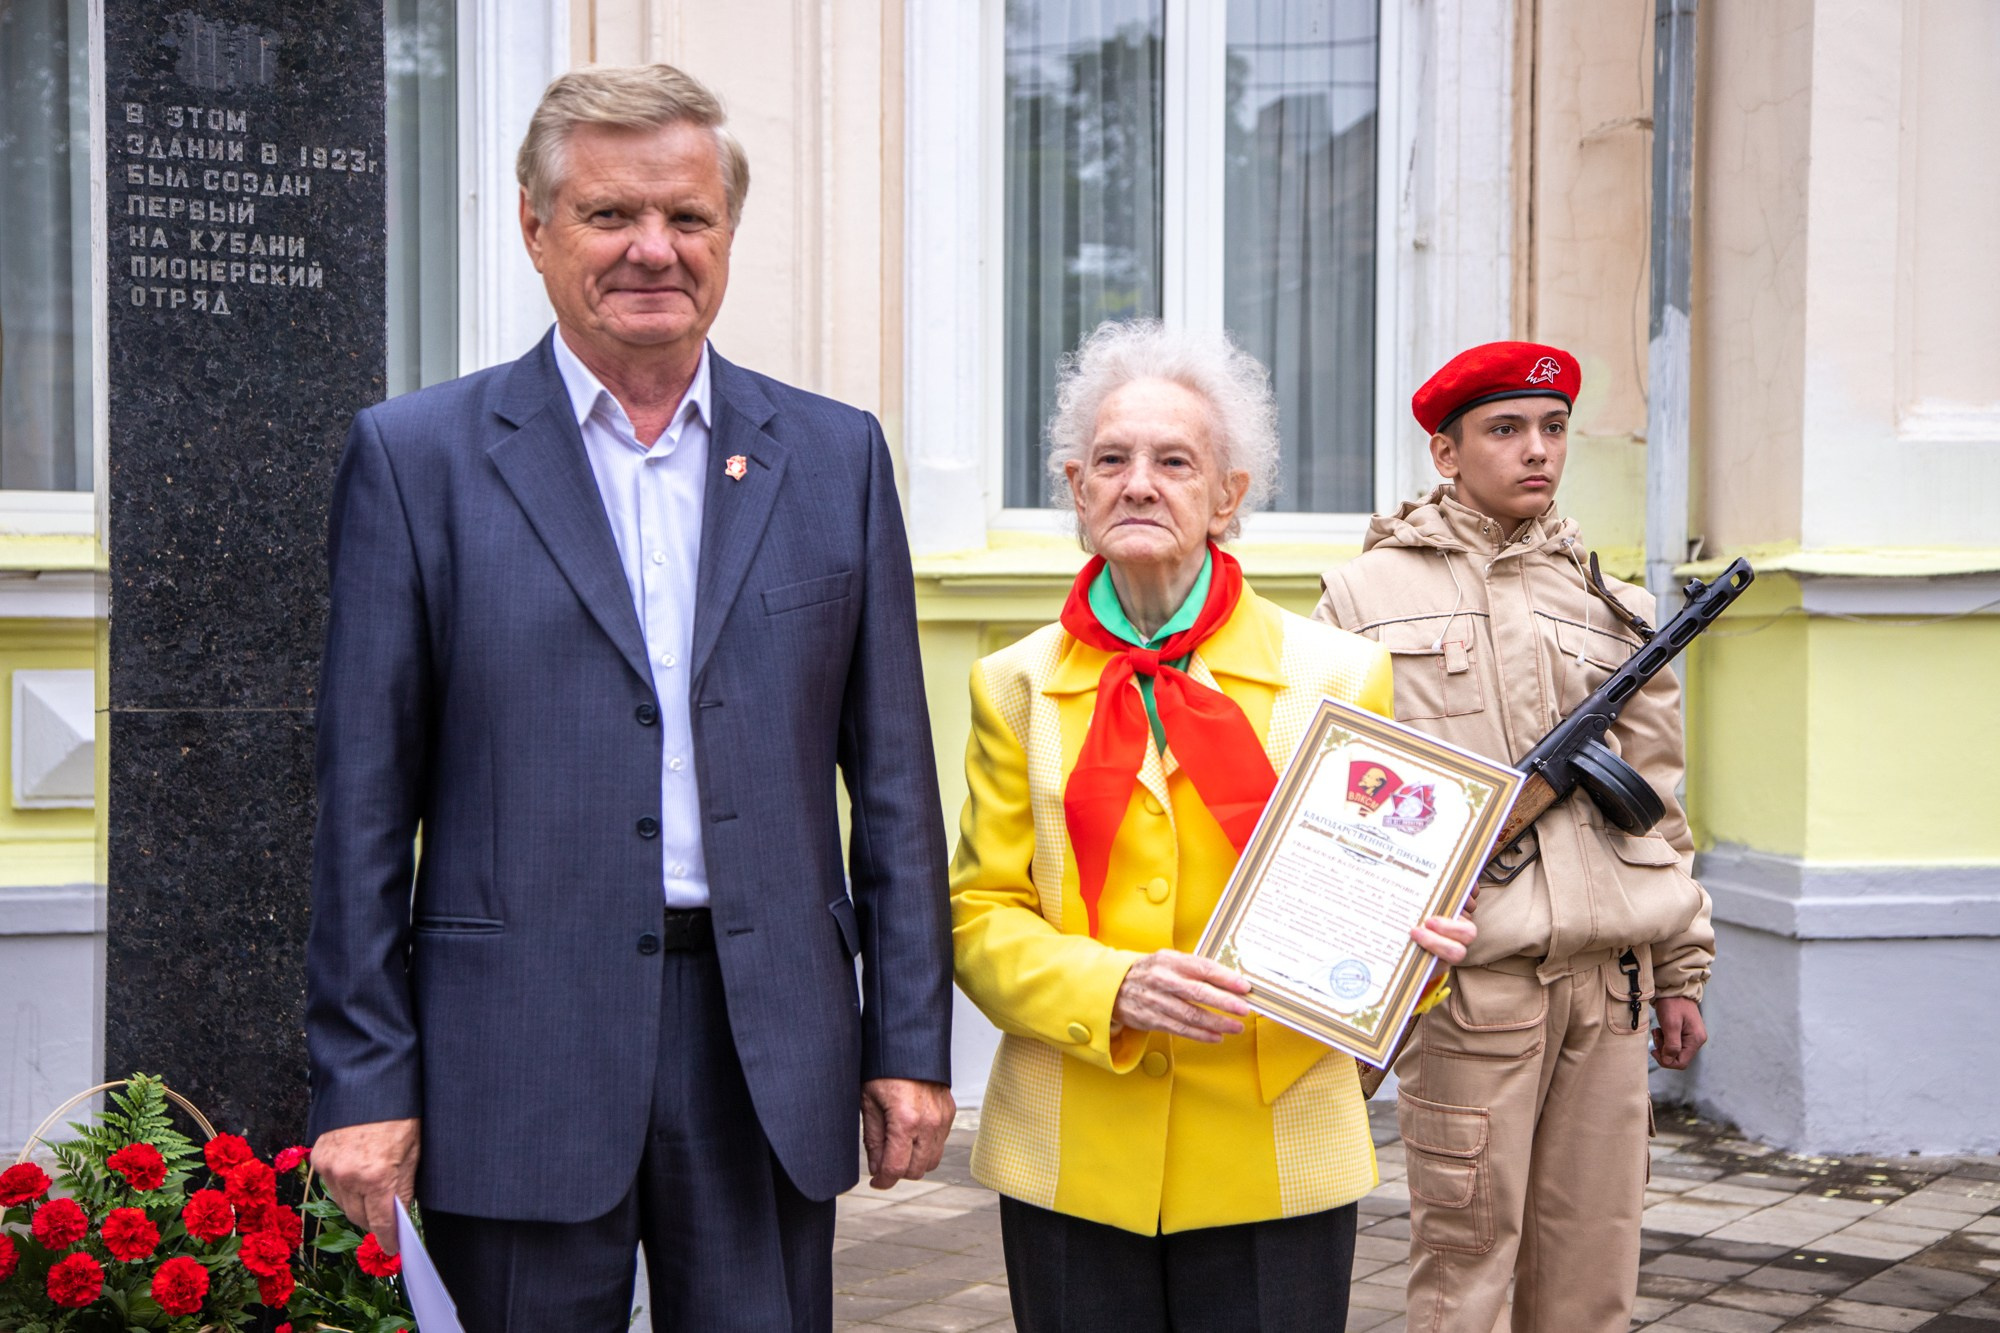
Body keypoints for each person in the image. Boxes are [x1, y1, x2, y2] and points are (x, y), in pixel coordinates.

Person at [303, 64, 955, 1331]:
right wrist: (364, 1079)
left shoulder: (832, 456)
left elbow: (892, 784)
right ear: (535, 230)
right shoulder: (418, 459)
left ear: (725, 235)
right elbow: (363, 809)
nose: (653, 249)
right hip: (515, 1047)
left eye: (688, 217)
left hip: (761, 1039)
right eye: (610, 215)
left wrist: (907, 1041)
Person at [950, 319, 1477, 1332]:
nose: (1137, 483)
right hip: (1071, 1145)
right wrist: (1115, 985)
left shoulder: (1336, 673)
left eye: (1173, 461)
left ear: (1227, 497)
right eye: (1111, 459)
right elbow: (979, 915)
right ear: (1076, 486)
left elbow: (1378, 891)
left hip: (1273, 1144)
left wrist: (1421, 948)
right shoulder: (1010, 682)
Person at [1315, 341, 1715, 1332]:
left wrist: (1679, 972)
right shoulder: (1359, 600)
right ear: (1444, 453)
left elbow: (1657, 802)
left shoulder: (1612, 605)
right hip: (1472, 982)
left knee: (1592, 1264)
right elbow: (1329, 802)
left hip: (1612, 983)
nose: (1535, 450)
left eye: (1550, 429)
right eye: (1504, 429)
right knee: (1464, 1263)